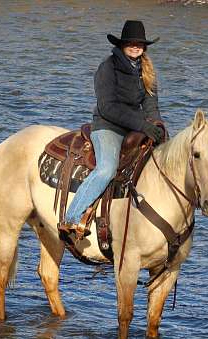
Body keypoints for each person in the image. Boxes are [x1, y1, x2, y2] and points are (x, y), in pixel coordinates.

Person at [62, 20, 164, 234]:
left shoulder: (147, 71)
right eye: (130, 42)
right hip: (108, 126)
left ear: (144, 47)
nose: (135, 46)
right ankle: (71, 217)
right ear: (121, 44)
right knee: (107, 169)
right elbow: (108, 107)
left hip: (136, 128)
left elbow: (151, 105)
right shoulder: (107, 67)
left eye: (140, 43)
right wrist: (142, 125)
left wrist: (158, 128)